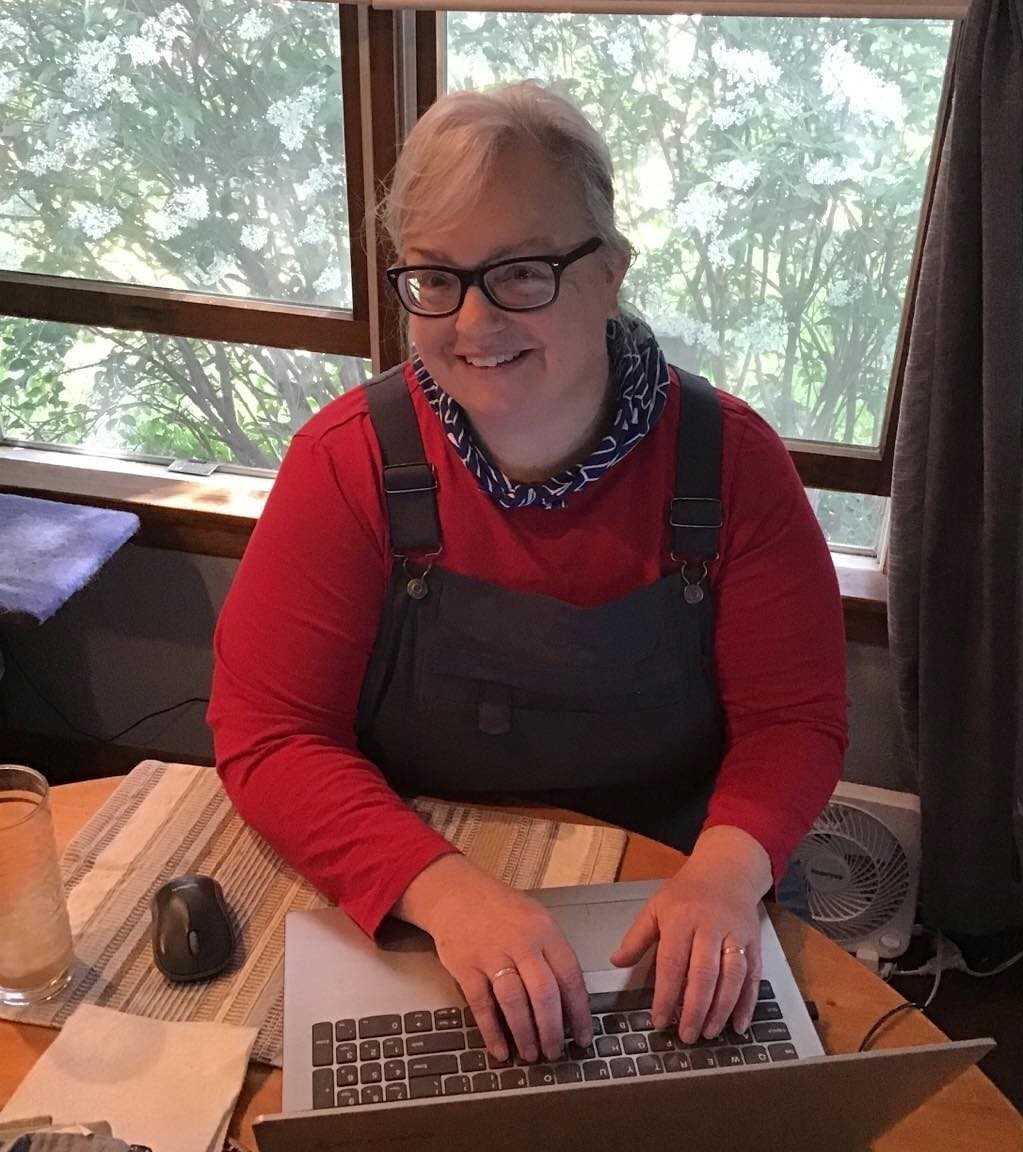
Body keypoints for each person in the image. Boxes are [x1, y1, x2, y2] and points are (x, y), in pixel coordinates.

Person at [208, 81, 847, 1071]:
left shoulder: (737, 465)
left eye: (519, 273)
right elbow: (270, 733)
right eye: (435, 277)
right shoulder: (348, 463)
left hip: (671, 906)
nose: (472, 322)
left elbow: (793, 721)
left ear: (609, 275)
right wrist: (443, 890)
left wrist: (727, 870)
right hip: (434, 902)